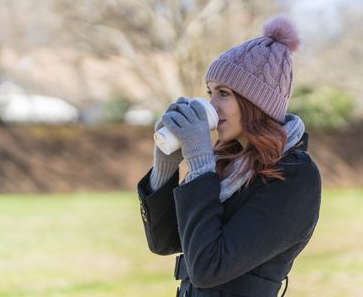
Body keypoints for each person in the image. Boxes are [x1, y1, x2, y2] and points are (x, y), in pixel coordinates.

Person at [137, 15, 321, 297]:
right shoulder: (229, 163)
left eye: (223, 93)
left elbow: (209, 268)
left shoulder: (295, 176)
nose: (212, 105)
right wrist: (165, 165)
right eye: (210, 92)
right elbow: (165, 241)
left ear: (254, 103)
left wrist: (200, 166)